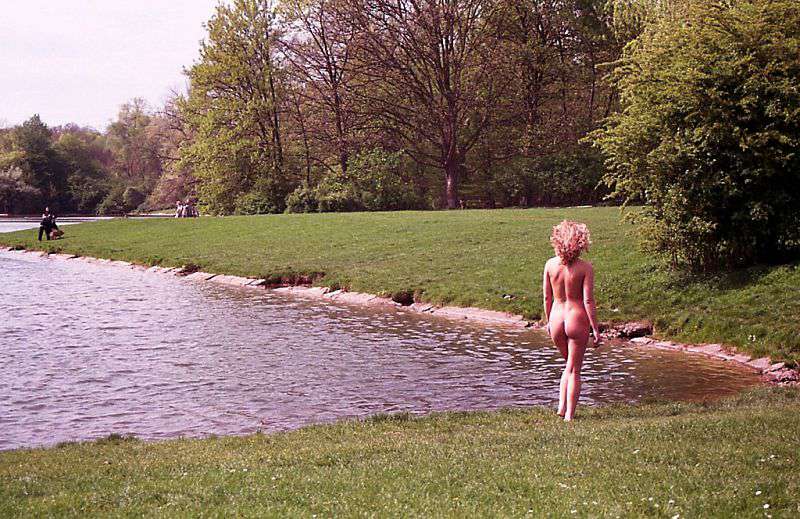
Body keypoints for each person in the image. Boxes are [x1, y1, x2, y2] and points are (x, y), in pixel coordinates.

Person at [542, 220, 601, 421]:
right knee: (574, 369)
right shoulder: (585, 267)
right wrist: (595, 329)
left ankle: (561, 407)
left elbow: (547, 297)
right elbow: (588, 300)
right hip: (576, 317)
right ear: (581, 242)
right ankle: (569, 415)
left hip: (556, 318)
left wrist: (548, 321)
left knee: (569, 364)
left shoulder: (550, 265)